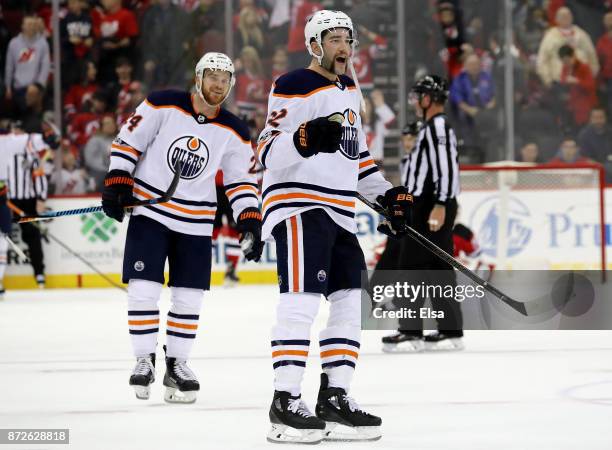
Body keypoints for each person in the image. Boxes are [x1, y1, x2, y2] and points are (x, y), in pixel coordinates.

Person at [256, 10, 412, 444]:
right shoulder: (294, 85)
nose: (344, 48)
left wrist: (388, 196)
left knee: (350, 299)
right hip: (299, 204)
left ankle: (335, 398)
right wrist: (302, 138)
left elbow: (356, 161)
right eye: (335, 40)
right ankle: (284, 400)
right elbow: (267, 149)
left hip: (340, 210)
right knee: (301, 299)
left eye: (348, 40)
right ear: (314, 45)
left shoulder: (351, 90)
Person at [101, 52, 263, 404]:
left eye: (225, 79)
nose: (218, 84)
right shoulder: (163, 103)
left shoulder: (235, 129)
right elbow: (129, 140)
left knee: (189, 296)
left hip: (196, 220)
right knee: (144, 287)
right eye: (213, 76)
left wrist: (250, 218)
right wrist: (118, 178)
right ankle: (144, 359)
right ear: (199, 77)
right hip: (152, 211)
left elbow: (241, 182)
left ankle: (178, 364)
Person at [382, 75, 464, 353]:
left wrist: (440, 203)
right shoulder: (431, 127)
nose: (416, 102)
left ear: (429, 98)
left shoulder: (437, 127)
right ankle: (450, 331)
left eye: (419, 96)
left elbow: (447, 169)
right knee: (436, 267)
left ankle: (411, 332)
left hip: (430, 206)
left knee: (410, 268)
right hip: (427, 204)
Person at [2, 121, 57, 289]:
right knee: (1, 239)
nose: (16, 134)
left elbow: (39, 176)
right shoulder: (3, 150)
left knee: (33, 236)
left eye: (19, 131)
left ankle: (39, 273)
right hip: (5, 201)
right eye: (14, 131)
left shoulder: (31, 154)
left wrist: (40, 199)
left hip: (27, 201)